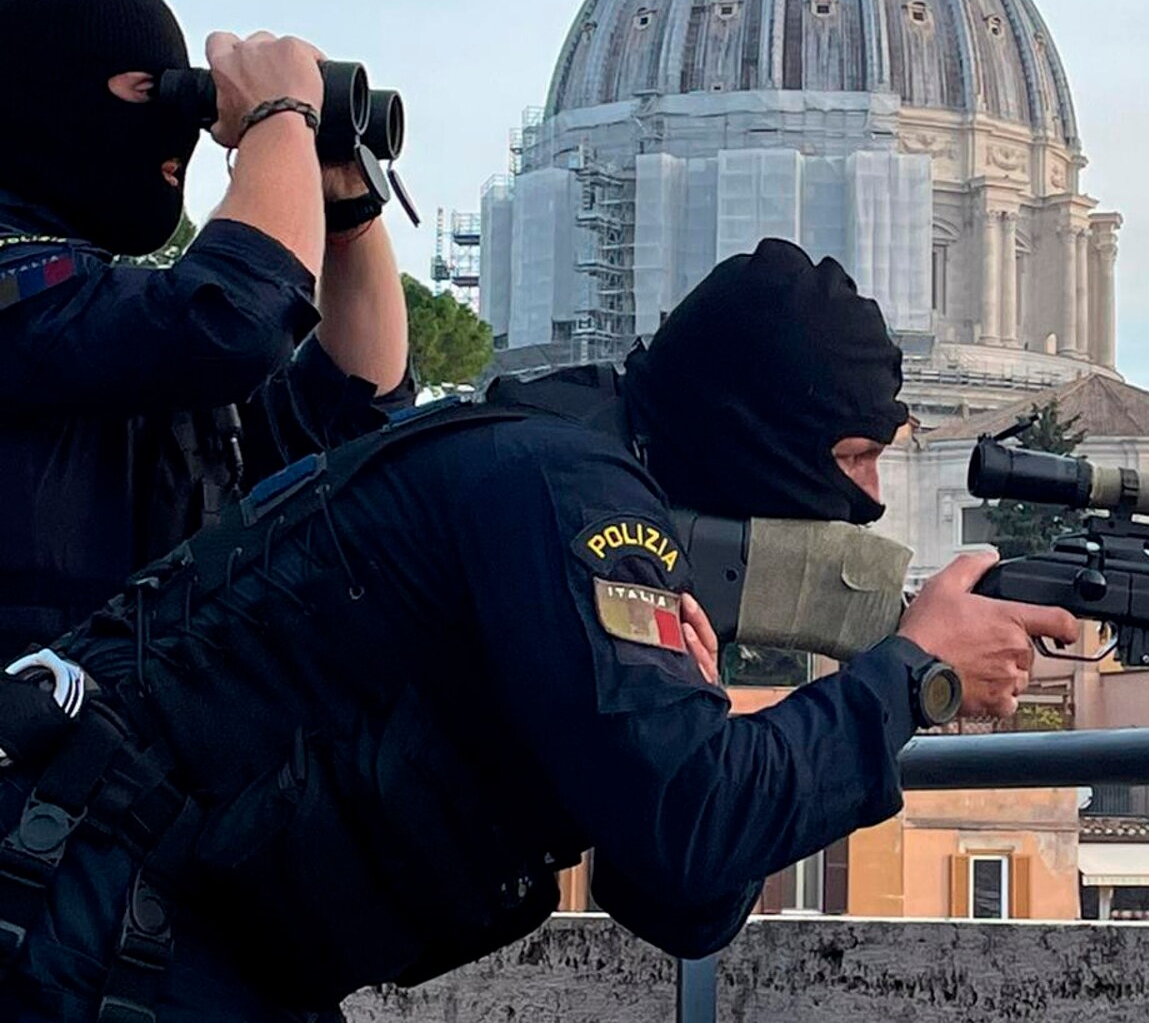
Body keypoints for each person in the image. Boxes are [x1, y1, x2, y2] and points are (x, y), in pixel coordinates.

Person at [0, 239, 1078, 1022]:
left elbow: (675, 893)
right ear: (755, 433)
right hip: (89, 926)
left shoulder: (578, 464)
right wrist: (912, 674)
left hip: (158, 935)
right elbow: (691, 821)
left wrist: (701, 715)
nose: (870, 502)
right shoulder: (572, 494)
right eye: (852, 459)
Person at [0, 0, 412, 653]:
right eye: (154, 93)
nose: (180, 131)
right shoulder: (27, 292)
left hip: (114, 714)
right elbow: (229, 323)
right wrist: (281, 116)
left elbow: (346, 418)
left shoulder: (110, 329)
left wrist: (344, 205)